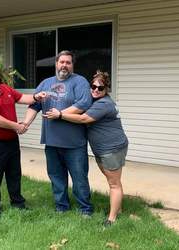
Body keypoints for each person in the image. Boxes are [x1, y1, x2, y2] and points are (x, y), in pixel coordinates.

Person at [45, 70, 128, 226]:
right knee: (114, 180)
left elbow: (84, 118)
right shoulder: (96, 101)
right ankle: (118, 209)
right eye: (93, 86)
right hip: (103, 148)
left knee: (114, 183)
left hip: (112, 148)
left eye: (100, 88)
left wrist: (60, 115)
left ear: (107, 90)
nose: (95, 90)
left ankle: (112, 219)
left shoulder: (104, 104)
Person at [23, 50, 94, 216]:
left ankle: (85, 209)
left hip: (74, 142)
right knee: (56, 177)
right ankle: (62, 206)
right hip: (51, 141)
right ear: (56, 64)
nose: (64, 65)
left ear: (72, 65)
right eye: (62, 62)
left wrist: (60, 114)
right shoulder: (46, 83)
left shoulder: (79, 81)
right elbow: (34, 105)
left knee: (79, 178)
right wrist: (25, 124)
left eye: (68, 62)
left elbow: (84, 103)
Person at [0, 64, 46, 216]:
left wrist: (35, 97)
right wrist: (16, 126)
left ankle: (18, 203)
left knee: (14, 173)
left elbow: (21, 98)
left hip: (11, 141)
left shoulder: (5, 89)